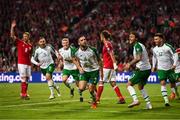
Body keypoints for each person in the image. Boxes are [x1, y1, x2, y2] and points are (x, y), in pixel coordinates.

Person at [72, 35, 103, 109]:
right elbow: (73, 59)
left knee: (91, 89)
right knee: (81, 88)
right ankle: (90, 87)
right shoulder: (76, 51)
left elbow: (99, 60)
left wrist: (101, 71)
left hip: (94, 71)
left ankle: (94, 101)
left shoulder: (93, 50)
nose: (84, 41)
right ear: (79, 43)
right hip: (84, 71)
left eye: (85, 39)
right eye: (82, 40)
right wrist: (79, 67)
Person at [124, 31, 152, 109]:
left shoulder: (137, 46)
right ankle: (149, 104)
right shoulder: (139, 45)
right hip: (147, 69)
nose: (130, 38)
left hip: (141, 70)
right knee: (141, 87)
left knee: (128, 85)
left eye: (132, 37)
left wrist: (129, 64)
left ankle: (135, 100)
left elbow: (138, 58)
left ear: (136, 38)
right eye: (129, 36)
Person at [96, 30, 125, 104]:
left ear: (103, 36)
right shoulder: (108, 43)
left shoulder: (106, 44)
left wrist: (115, 63)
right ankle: (121, 98)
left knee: (101, 81)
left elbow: (111, 54)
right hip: (110, 66)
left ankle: (97, 100)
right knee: (113, 83)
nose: (100, 37)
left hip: (107, 66)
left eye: (101, 36)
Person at [152, 33, 177, 106]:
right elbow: (154, 57)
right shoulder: (154, 49)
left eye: (156, 39)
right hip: (161, 69)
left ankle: (173, 93)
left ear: (161, 39)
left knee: (172, 83)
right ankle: (166, 101)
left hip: (170, 68)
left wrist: (174, 64)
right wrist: (153, 66)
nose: (155, 41)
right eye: (154, 39)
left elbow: (175, 54)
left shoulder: (168, 47)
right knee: (162, 83)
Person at [10, 20, 32, 100]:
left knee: (27, 79)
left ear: (28, 37)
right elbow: (12, 36)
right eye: (24, 36)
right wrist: (12, 27)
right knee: (23, 78)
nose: (25, 37)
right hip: (21, 63)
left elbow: (30, 55)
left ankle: (24, 93)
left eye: (26, 36)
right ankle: (23, 94)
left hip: (28, 64)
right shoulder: (19, 42)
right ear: (23, 37)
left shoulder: (30, 45)